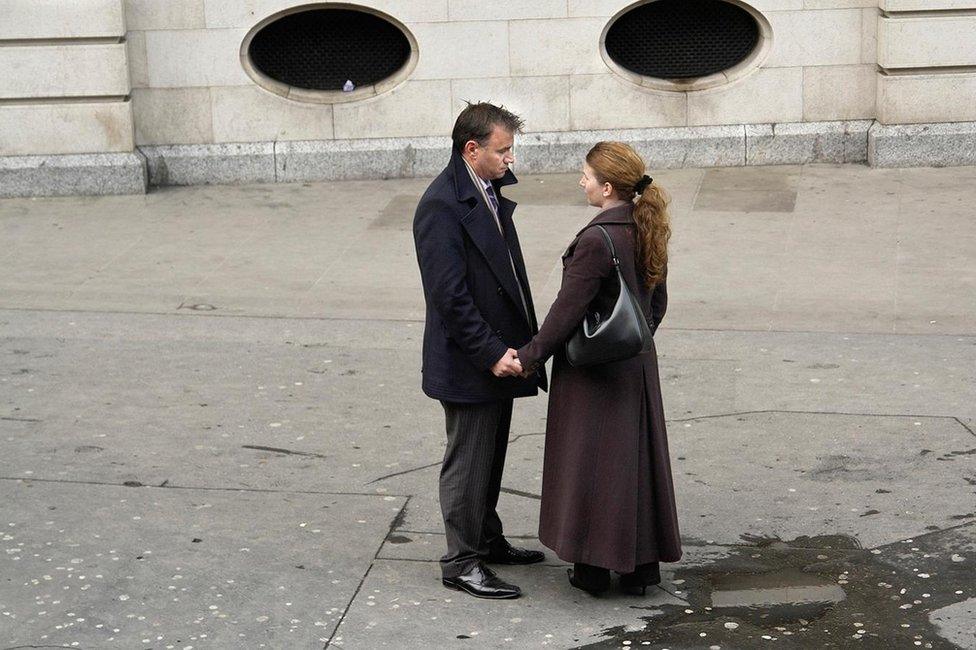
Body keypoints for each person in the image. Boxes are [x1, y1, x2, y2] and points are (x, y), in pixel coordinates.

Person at [516, 141, 682, 595]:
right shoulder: (648, 226)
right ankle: (639, 570)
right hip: (636, 368)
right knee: (634, 465)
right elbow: (657, 304)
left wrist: (529, 357)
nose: (581, 182)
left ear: (607, 187)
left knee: (592, 467)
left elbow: (565, 313)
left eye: (586, 176)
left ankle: (591, 569)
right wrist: (633, 343)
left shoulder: (596, 239)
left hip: (594, 375)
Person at [413, 102, 548, 600]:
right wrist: (493, 352)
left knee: (490, 457)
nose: (510, 159)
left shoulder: (486, 188)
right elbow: (449, 298)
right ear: (472, 150)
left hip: (500, 353)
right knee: (468, 462)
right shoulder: (441, 206)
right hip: (472, 359)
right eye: (503, 150)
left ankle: (487, 540)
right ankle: (462, 562)